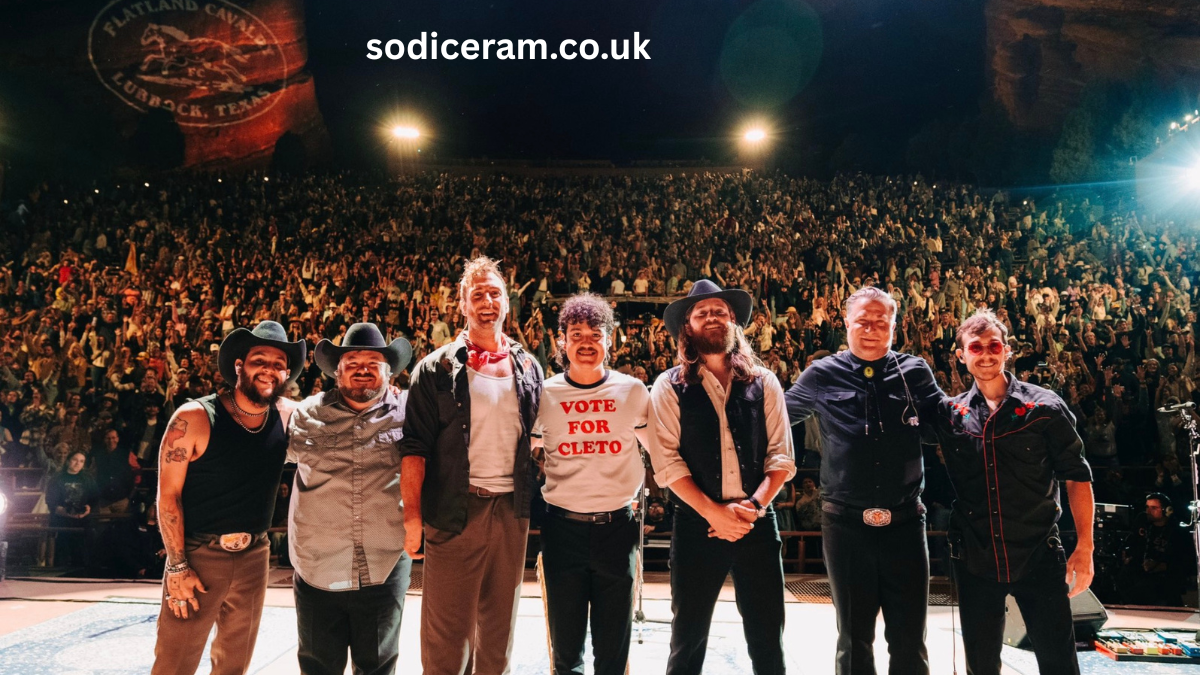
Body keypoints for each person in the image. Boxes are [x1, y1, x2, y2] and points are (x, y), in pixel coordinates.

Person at [784, 286, 942, 675]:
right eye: (863, 322)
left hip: (905, 524)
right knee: (853, 639)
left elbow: (947, 426)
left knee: (909, 637)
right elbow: (776, 418)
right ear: (846, 324)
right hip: (845, 525)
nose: (871, 329)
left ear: (894, 326)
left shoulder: (915, 371)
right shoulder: (821, 373)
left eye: (881, 323)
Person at [401, 257, 544, 675]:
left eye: (495, 293)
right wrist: (412, 517)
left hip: (510, 511)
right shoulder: (435, 368)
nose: (487, 301)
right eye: (477, 294)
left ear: (507, 303)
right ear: (462, 305)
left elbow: (539, 438)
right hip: (454, 510)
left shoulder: (529, 366)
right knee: (448, 635)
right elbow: (414, 449)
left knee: (498, 632)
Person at [933, 309, 1095, 675]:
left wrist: (1085, 547)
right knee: (982, 665)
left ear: (1007, 350)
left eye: (994, 346)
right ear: (962, 355)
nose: (986, 354)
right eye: (976, 347)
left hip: (1037, 552)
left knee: (1059, 663)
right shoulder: (951, 413)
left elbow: (1077, 476)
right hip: (975, 557)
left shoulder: (1045, 407)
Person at [647, 280, 796, 675]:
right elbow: (668, 464)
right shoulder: (669, 385)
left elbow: (781, 457)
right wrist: (714, 513)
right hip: (697, 525)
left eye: (719, 311)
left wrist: (754, 506)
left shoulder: (764, 381)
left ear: (733, 321)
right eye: (702, 313)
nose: (712, 317)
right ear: (688, 328)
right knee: (687, 641)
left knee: (768, 640)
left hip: (758, 524)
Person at [151, 321, 305, 675]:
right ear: (239, 365)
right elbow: (168, 497)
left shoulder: (287, 416)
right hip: (198, 556)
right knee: (174, 665)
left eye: (278, 363)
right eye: (259, 360)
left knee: (234, 666)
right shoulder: (193, 417)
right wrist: (177, 566)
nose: (269, 369)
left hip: (254, 557)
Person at [531, 293, 651, 675]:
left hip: (617, 528)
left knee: (613, 653)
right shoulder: (544, 394)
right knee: (566, 653)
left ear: (610, 341)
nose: (586, 342)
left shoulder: (633, 391)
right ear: (561, 341)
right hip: (561, 528)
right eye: (576, 333)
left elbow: (664, 456)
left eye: (595, 334)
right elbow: (522, 450)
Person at [287, 322, 414, 675]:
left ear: (390, 373)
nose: (363, 369)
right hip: (316, 565)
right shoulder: (306, 415)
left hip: (384, 561)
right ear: (336, 371)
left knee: (377, 667)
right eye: (353, 361)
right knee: (317, 667)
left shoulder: (412, 412)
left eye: (374, 362)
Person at [1119, 493, 1193, 606]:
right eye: (1147, 507)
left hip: (1165, 581)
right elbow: (1131, 545)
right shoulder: (1142, 526)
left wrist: (1162, 566)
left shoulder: (1178, 532)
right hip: (1139, 578)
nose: (1148, 511)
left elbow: (1187, 562)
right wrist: (1127, 556)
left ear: (1167, 510)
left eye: (1154, 508)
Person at [45, 450, 98, 567]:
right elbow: (51, 501)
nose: (77, 463)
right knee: (62, 555)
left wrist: (88, 509)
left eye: (81, 461)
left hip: (82, 522)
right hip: (62, 522)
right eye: (75, 460)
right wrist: (64, 512)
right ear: (68, 461)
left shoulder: (88, 479)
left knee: (81, 555)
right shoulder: (57, 479)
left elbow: (94, 498)